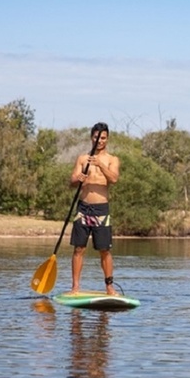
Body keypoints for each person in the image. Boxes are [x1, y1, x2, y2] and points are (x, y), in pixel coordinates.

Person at [70, 122, 120, 295]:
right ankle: (75, 287)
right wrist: (79, 178)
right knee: (79, 248)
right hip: (83, 208)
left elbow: (113, 179)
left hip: (101, 210)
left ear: (107, 139)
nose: (99, 141)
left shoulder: (112, 159)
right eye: (97, 137)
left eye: (103, 138)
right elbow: (72, 182)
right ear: (92, 137)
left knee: (104, 250)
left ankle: (109, 287)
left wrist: (100, 164)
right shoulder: (82, 159)